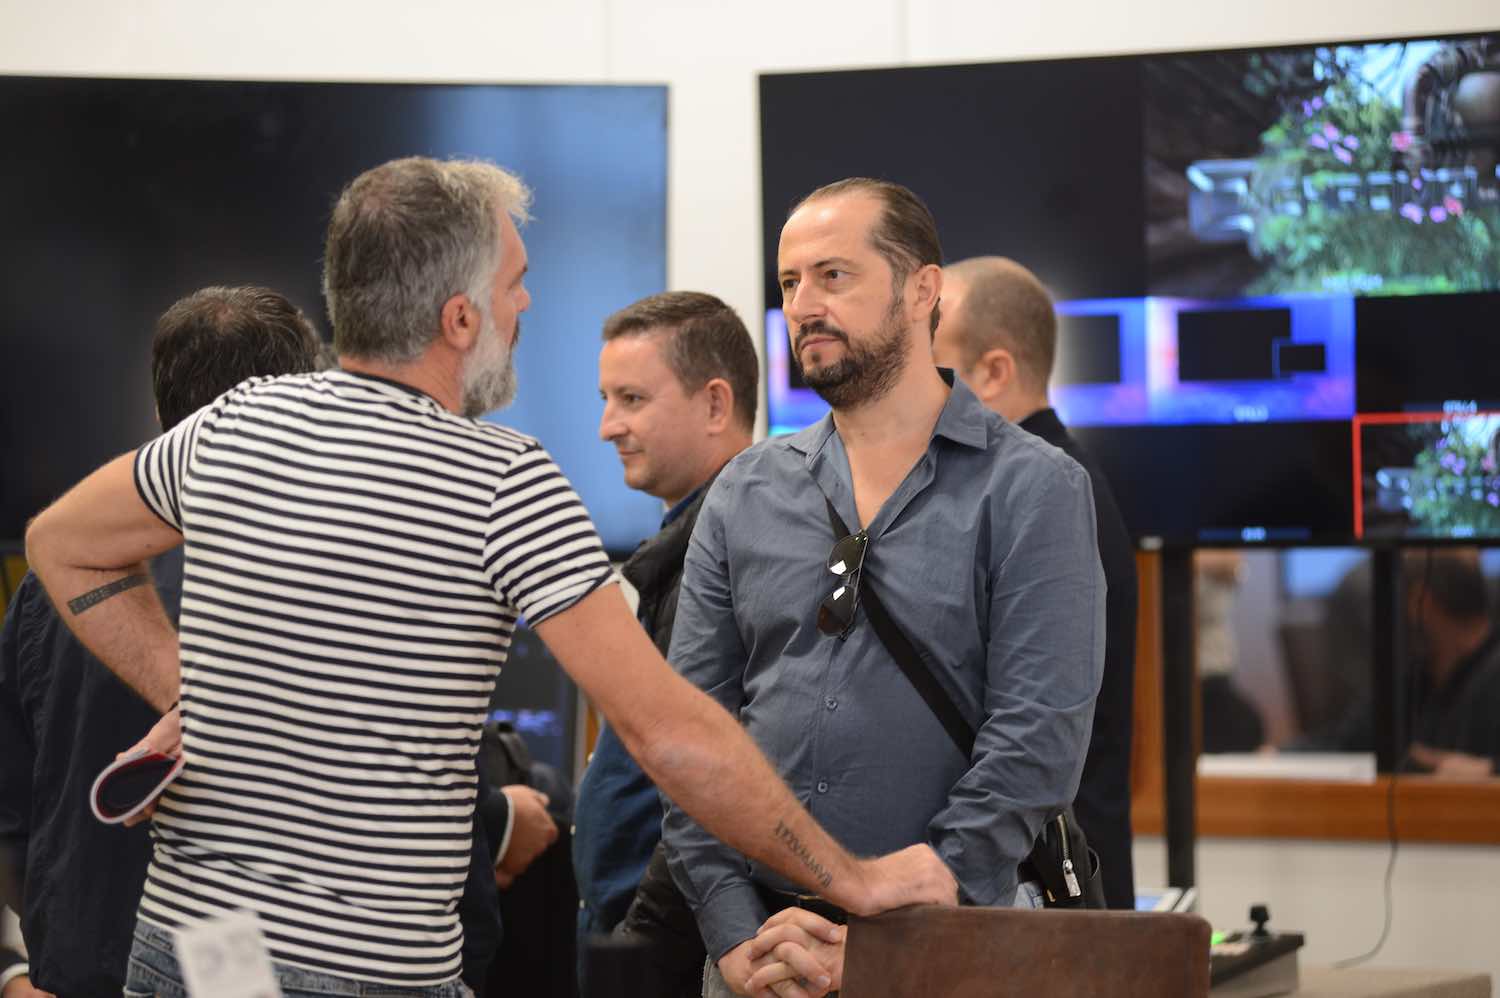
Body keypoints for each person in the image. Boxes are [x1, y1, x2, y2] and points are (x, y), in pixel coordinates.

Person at [22, 158, 954, 998]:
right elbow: (668, 730)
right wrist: (852, 878)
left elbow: (60, 543)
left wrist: (189, 694)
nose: (526, 305)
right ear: (459, 318)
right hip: (371, 974)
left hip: (190, 955)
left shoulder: (236, 422)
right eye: (514, 283)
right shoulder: (502, 480)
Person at [661, 179, 1105, 998]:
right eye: (789, 282)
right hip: (762, 958)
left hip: (954, 949)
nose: (802, 305)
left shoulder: (1034, 487)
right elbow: (693, 735)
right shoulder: (744, 491)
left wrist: (900, 933)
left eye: (834, 275)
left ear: (921, 290)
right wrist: (733, 931)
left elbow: (1037, 743)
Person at [0, 287, 321, 998]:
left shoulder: (52, 582)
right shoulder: (330, 575)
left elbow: (11, 807)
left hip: (75, 967)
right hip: (245, 976)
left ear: (158, 411)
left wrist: (29, 958)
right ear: (306, 405)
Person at [931, 255, 1139, 911]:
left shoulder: (1051, 496)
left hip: (1044, 899)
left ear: (993, 372)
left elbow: (1031, 739)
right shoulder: (1023, 485)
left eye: (929, 364)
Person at [573, 291, 757, 995]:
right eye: (605, 399)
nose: (607, 426)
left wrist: (639, 947)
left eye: (631, 399)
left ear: (715, 404)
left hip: (667, 955)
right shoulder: (683, 548)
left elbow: (708, 786)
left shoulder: (734, 555)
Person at [1404, 549, 1500, 778]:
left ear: (1422, 602)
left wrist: (1491, 770)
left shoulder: (1492, 676)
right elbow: (1348, 740)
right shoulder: (1418, 676)